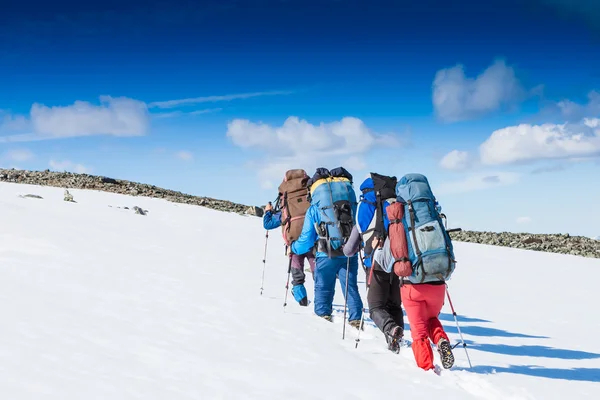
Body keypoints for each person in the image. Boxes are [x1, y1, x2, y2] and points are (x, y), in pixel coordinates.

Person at [373, 173, 456, 371]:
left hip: (412, 285)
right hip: (437, 281)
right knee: (432, 320)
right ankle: (441, 339)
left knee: (419, 331)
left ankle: (426, 370)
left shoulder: (399, 219)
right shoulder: (432, 211)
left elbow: (388, 260)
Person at [290, 167, 363, 326]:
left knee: (323, 289)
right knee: (351, 288)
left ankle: (323, 322)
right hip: (349, 251)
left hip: (326, 253)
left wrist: (294, 248)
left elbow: (307, 240)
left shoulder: (315, 208)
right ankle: (357, 320)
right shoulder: (351, 203)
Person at [343, 176, 404, 353]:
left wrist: (347, 250)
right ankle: (395, 340)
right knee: (394, 305)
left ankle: (392, 331)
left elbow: (352, 245)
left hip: (375, 262)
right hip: (398, 261)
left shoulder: (365, 206)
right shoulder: (396, 202)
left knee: (375, 306)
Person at [263, 202, 315, 306]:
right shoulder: (311, 205)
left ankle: (302, 301)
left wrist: (268, 211)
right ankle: (322, 305)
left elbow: (267, 224)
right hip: (313, 244)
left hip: (294, 245)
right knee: (319, 274)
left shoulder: (286, 211)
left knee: (297, 276)